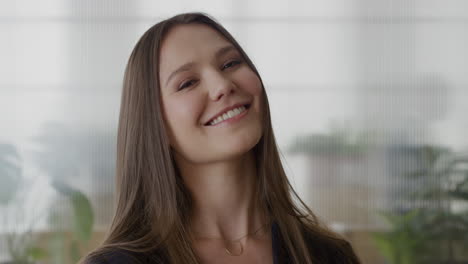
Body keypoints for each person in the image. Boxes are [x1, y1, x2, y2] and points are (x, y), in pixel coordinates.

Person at [82, 12, 361, 264]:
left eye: (230, 63)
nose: (222, 85)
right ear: (155, 125)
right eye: (187, 82)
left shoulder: (330, 255)